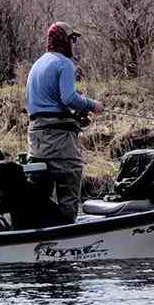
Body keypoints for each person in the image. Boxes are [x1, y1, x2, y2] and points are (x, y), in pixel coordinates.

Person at [25, 21, 104, 223]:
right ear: (64, 40)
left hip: (36, 137)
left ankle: (38, 229)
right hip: (58, 139)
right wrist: (91, 104)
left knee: (41, 186)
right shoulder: (64, 64)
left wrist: (73, 118)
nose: (74, 43)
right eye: (72, 39)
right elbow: (69, 98)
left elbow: (44, 104)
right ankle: (68, 230)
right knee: (70, 175)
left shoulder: (38, 64)